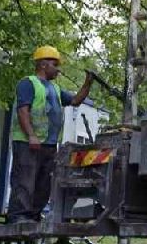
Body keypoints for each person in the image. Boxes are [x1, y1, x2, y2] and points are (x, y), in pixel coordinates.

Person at [6, 46, 93, 223]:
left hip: (48, 144)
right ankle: (18, 217)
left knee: (43, 184)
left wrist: (88, 82)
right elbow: (23, 111)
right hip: (27, 142)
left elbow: (76, 101)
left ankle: (33, 216)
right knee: (25, 180)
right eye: (55, 64)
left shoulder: (55, 88)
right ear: (43, 65)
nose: (58, 69)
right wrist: (31, 135)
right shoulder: (28, 83)